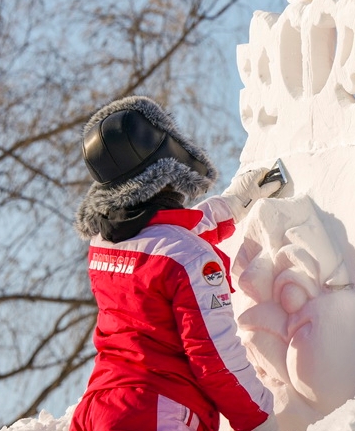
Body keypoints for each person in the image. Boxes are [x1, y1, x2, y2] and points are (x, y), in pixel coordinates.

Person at [71, 95, 282, 431]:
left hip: (97, 411)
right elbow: (217, 360)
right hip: (155, 414)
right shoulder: (189, 261)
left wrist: (236, 202)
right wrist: (261, 419)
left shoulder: (104, 245)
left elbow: (164, 236)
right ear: (169, 167)